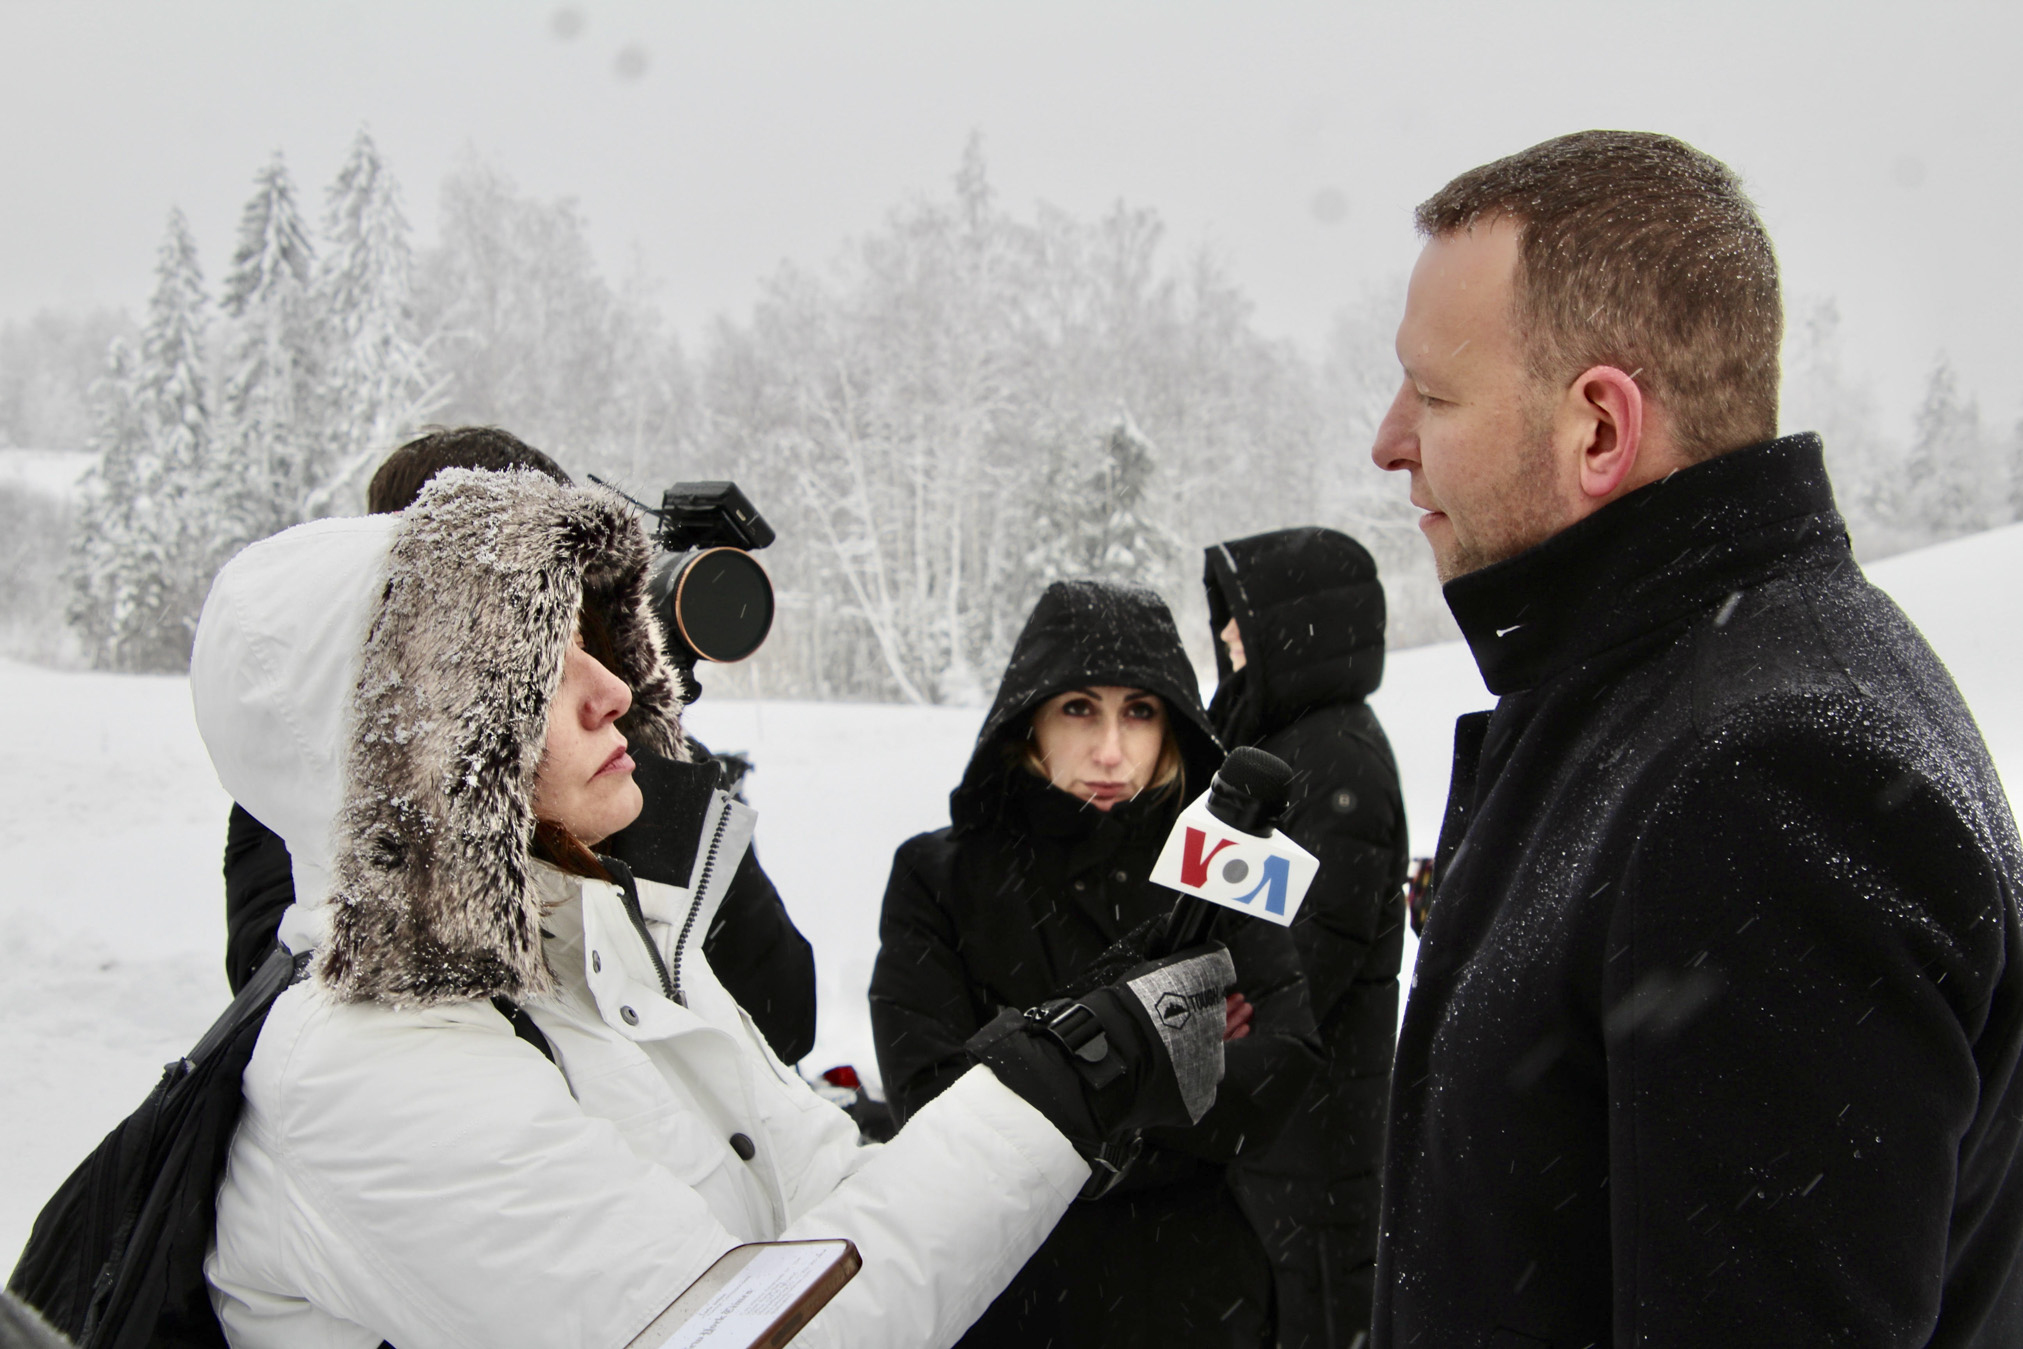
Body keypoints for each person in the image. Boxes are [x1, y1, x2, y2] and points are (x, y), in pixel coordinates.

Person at [190, 468, 1236, 1347]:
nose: (610, 688)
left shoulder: (591, 942)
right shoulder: (373, 1075)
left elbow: (826, 1195)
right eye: (537, 676)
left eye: (595, 643)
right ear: (426, 748)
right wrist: (1066, 1073)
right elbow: (755, 1331)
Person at [1366, 129, 2023, 1346]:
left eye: (1435, 393)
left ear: (1599, 430)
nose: (1390, 438)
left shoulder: (1767, 776)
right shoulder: (1650, 700)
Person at [218, 425, 819, 1064]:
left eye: (577, 614)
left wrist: (651, 745)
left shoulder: (610, 747)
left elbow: (782, 1015)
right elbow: (301, 1007)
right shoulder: (309, 780)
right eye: (526, 618)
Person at [870, 578, 1322, 1348]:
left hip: (1200, 1298)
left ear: (1172, 727)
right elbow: (930, 1103)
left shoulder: (1221, 865)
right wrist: (1175, 1061)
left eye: (1139, 712)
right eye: (1078, 707)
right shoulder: (940, 877)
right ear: (1028, 720)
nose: (1110, 750)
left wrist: (1039, 1074)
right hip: (1014, 1298)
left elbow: (1285, 1070)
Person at [1203, 528, 1407, 1349]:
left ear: (1295, 629)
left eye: (1240, 619)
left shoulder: (1336, 764)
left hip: (1311, 1152)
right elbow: (1203, 916)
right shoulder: (1275, 754)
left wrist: (1198, 1013)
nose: (1222, 638)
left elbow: (1291, 969)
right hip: (1269, 1141)